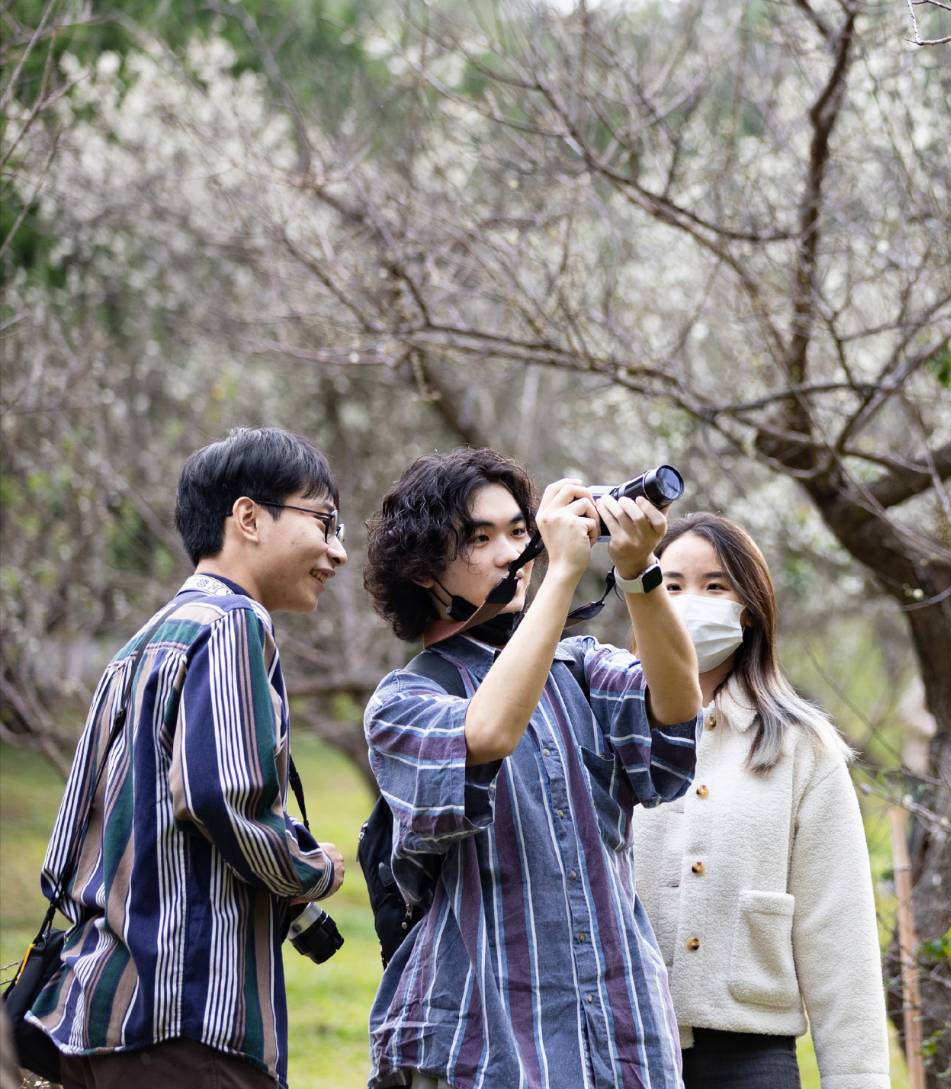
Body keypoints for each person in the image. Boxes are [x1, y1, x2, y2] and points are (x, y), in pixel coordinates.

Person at [360, 449, 702, 1089]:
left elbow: (680, 706)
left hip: (620, 1033)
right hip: (481, 1043)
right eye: (478, 538)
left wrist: (638, 572)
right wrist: (564, 575)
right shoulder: (404, 702)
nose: (507, 551)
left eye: (519, 532)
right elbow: (488, 732)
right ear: (423, 572)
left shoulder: (581, 669)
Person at [27, 427, 349, 1089]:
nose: (338, 551)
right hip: (188, 1024)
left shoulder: (142, 644)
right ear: (249, 517)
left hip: (101, 1020)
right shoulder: (236, 622)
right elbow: (217, 797)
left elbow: (62, 854)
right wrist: (311, 868)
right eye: (325, 521)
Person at [633, 513, 890, 1089]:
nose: (689, 602)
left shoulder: (803, 747)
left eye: (714, 585)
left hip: (750, 1058)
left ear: (749, 607)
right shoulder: (604, 726)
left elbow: (837, 932)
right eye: (670, 585)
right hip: (619, 1049)